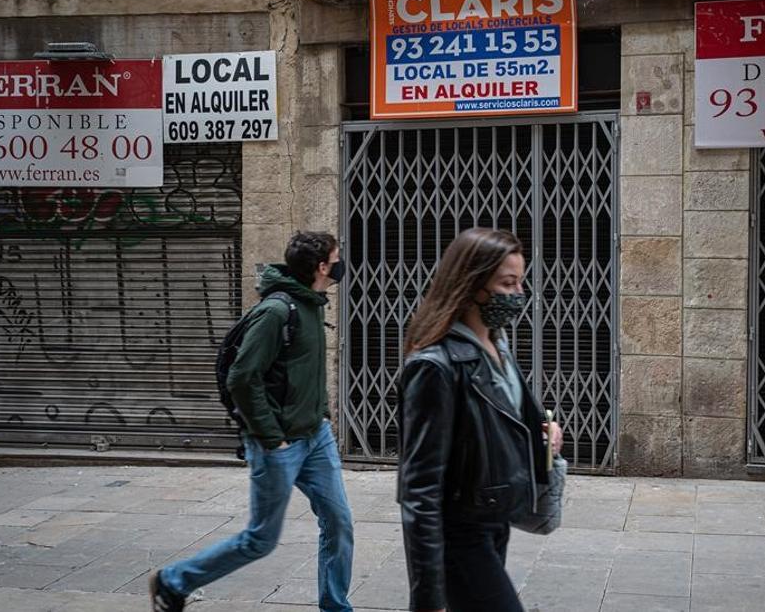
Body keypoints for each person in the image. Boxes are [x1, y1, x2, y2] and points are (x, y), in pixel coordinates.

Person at [150, 232, 354, 612]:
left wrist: (321, 415)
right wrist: (271, 436)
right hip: (279, 445)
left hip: (316, 437)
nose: (342, 264)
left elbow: (301, 371)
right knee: (261, 539)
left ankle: (336, 608)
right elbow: (242, 377)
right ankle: (173, 581)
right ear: (322, 267)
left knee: (339, 524)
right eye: (336, 258)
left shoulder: (313, 303)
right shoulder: (277, 311)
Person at [397, 227, 563, 612]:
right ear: (472, 283)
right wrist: (428, 597)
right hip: (459, 532)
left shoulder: (496, 344)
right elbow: (419, 487)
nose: (520, 293)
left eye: (521, 280)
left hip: (493, 520)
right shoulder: (434, 367)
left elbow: (514, 417)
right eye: (508, 282)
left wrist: (545, 429)